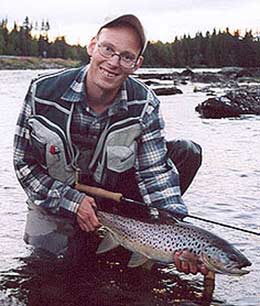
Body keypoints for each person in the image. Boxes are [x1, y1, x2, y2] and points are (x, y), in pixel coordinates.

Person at [13, 14, 207, 275]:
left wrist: (174, 232)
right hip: (55, 199)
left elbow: (154, 173)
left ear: (136, 64)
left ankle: (130, 235)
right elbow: (24, 164)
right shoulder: (43, 92)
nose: (113, 62)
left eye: (126, 56)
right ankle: (109, 239)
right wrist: (72, 201)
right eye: (108, 49)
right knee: (51, 270)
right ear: (92, 46)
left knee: (187, 151)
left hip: (114, 198)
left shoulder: (144, 104)